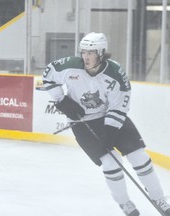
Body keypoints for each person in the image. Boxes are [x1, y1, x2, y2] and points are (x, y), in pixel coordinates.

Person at [41, 32, 170, 216]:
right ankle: (125, 204)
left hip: (111, 118)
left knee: (140, 157)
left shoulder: (115, 72)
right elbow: (48, 75)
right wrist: (61, 100)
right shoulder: (70, 66)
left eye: (91, 52)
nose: (86, 56)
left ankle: (159, 198)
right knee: (111, 163)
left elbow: (119, 107)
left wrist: (108, 134)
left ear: (101, 53)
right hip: (83, 122)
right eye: (84, 52)